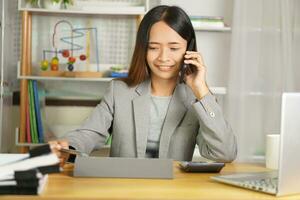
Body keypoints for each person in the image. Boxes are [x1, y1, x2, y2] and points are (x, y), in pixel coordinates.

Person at [49, 5, 237, 165]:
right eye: (154, 48)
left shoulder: (196, 99)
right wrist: (68, 146)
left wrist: (202, 90)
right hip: (126, 188)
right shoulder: (119, 91)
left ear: (188, 50)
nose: (163, 58)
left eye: (174, 48)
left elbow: (225, 153)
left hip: (175, 191)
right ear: (143, 49)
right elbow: (89, 133)